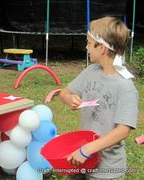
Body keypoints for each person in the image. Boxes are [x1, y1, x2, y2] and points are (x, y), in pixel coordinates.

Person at [59, 16, 139, 180]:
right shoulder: (91, 72)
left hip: (106, 169)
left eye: (89, 43)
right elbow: (64, 93)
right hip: (81, 159)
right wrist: (70, 98)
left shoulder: (125, 87)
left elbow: (123, 130)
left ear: (101, 48)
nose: (86, 47)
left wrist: (87, 149)